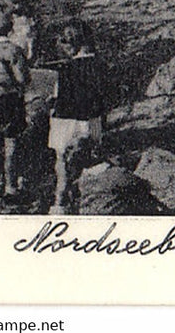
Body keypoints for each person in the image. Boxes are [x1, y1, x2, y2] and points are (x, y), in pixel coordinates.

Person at [47, 20, 112, 214]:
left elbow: (58, 96)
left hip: (64, 119)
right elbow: (104, 97)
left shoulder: (66, 69)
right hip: (91, 119)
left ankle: (60, 198)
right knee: (91, 154)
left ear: (72, 44)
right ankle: (86, 197)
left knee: (62, 159)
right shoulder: (101, 65)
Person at [0, 0, 29, 200]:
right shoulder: (11, 50)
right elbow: (23, 79)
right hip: (8, 100)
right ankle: (11, 188)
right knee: (12, 144)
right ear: (8, 26)